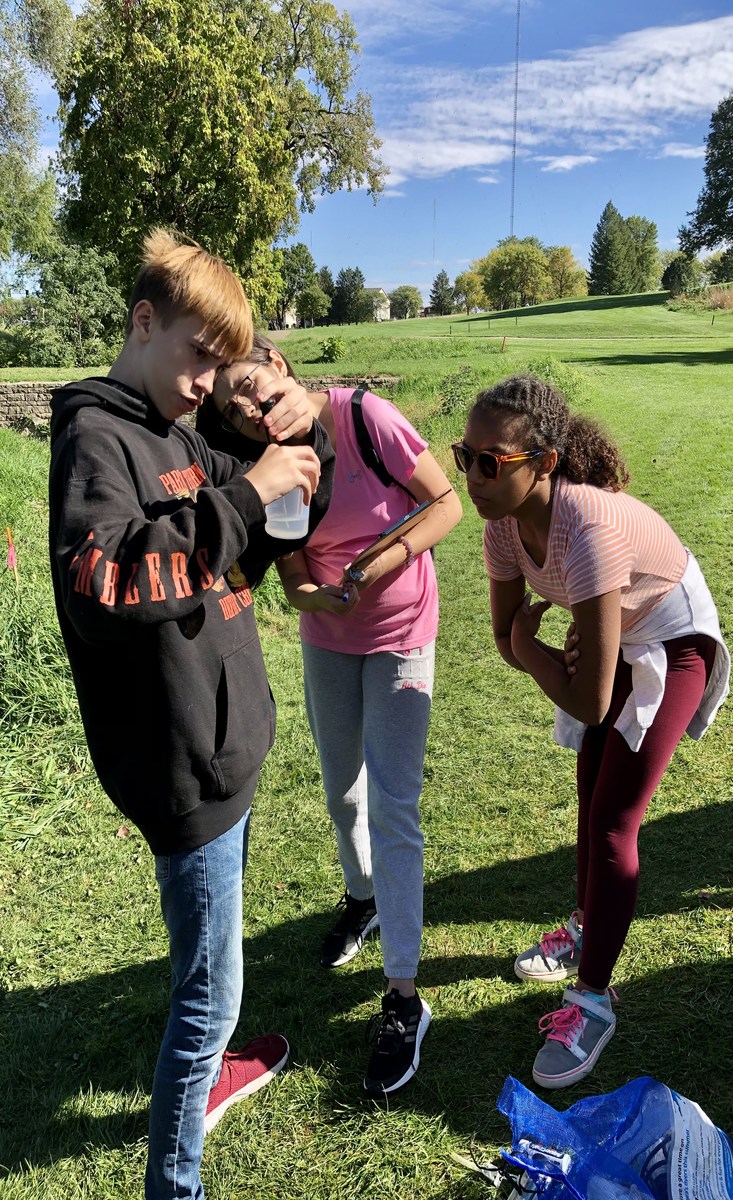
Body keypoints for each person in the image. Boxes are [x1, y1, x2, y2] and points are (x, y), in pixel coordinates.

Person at [48, 231, 327, 1200]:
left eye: (227, 363)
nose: (210, 381)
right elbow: (108, 578)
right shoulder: (100, 437)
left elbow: (252, 508)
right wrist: (245, 496)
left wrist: (306, 424)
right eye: (198, 355)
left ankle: (212, 1070)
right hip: (180, 769)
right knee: (207, 994)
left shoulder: (176, 431)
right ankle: (176, 1184)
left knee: (218, 958)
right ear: (142, 322)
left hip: (223, 749)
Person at [200, 338, 462, 1095]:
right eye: (236, 410)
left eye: (254, 387)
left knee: (394, 805)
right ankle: (363, 900)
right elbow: (288, 561)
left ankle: (404, 998)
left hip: (400, 632)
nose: (254, 410)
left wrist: (381, 562)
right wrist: (308, 595)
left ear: (278, 363)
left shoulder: (363, 418)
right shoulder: (272, 462)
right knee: (339, 788)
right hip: (328, 637)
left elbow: (446, 503)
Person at [455, 375, 730, 1089]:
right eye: (466, 456)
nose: (474, 478)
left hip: (673, 639)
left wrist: (532, 649)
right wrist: (531, 650)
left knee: (613, 820)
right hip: (614, 640)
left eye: (493, 461)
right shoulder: (501, 529)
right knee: (589, 795)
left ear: (544, 463)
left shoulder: (590, 528)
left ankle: (595, 999)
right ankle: (587, 923)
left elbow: (585, 691)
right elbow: (503, 638)